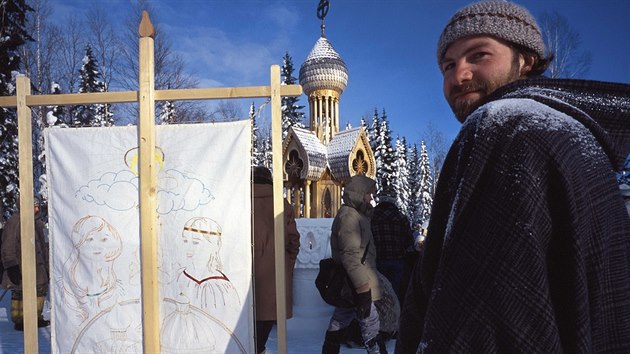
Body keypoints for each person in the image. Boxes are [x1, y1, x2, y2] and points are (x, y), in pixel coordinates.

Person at [396, 1, 630, 353]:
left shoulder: (504, 126)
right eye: (448, 64)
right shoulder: (573, 135)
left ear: (526, 60)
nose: (459, 75)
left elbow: (486, 319)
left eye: (479, 56)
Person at [322, 175, 384, 354]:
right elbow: (350, 255)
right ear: (359, 193)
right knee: (370, 322)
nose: (371, 198)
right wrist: (363, 287)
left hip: (355, 280)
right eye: (369, 194)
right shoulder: (349, 216)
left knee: (342, 317)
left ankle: (329, 351)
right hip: (358, 282)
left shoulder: (358, 215)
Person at [252, 166, 301, 354]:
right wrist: (285, 267)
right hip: (273, 277)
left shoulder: (240, 202)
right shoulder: (282, 205)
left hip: (243, 276)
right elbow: (293, 241)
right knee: (264, 326)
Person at [0, 198, 49, 331]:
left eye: (38, 206)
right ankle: (20, 319)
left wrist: (48, 265)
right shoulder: (14, 222)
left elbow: (45, 245)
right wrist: (11, 265)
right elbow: (7, 246)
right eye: (34, 207)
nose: (37, 209)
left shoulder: (39, 223)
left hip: (39, 268)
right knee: (19, 291)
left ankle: (36, 317)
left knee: (40, 290)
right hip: (21, 266)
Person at [370, 193, 413, 305]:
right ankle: (396, 316)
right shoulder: (401, 218)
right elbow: (409, 241)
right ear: (393, 202)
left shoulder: (371, 218)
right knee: (395, 291)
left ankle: (380, 317)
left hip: (377, 262)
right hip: (397, 261)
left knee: (378, 292)